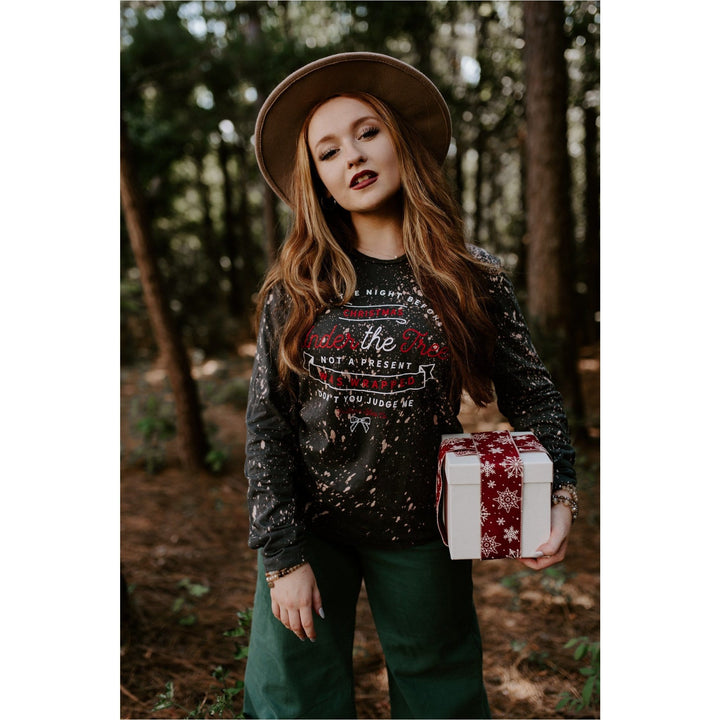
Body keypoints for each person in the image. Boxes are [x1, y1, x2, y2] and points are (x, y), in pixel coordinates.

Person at [243, 52, 578, 720]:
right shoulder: (299, 283)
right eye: (328, 150)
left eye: (367, 132)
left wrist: (559, 493)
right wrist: (282, 557)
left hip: (424, 526)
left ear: (401, 142)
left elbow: (533, 394)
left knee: (441, 694)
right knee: (291, 700)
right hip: (310, 530)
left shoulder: (471, 276)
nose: (352, 156)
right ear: (319, 179)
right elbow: (268, 422)